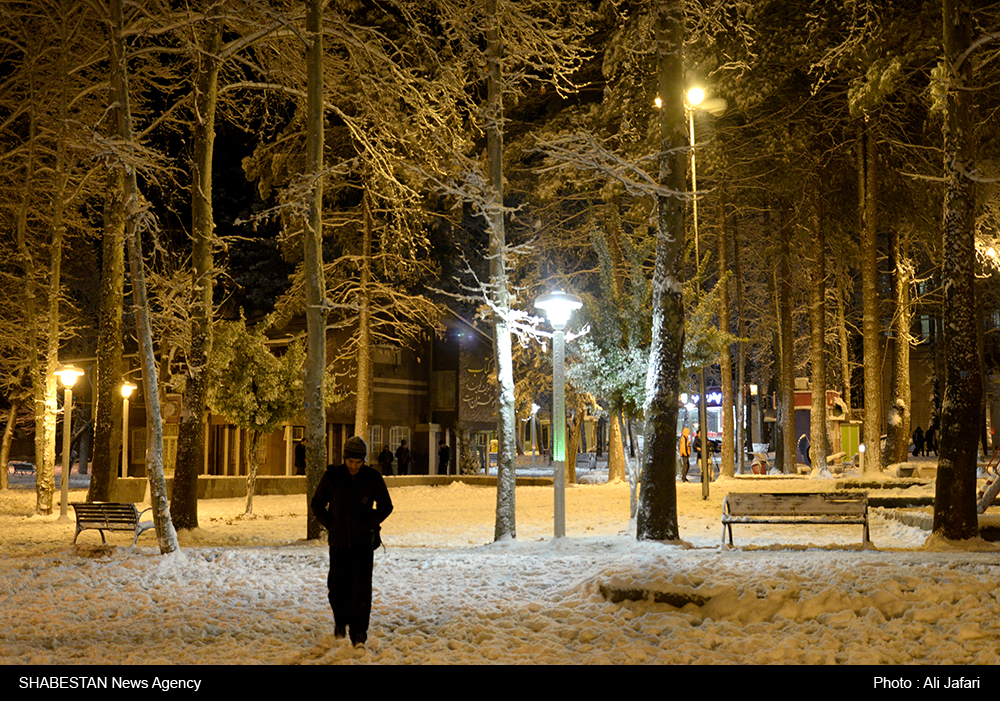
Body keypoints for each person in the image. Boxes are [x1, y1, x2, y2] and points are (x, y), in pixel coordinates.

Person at [311, 436, 393, 648]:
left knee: (361, 590)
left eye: (358, 462)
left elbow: (386, 506)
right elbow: (317, 504)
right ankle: (340, 621)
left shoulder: (372, 478)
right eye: (350, 462)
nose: (354, 467)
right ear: (344, 459)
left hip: (363, 544)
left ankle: (359, 634)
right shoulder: (333, 477)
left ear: (364, 460)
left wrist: (370, 523)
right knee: (337, 588)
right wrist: (332, 523)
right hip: (338, 543)